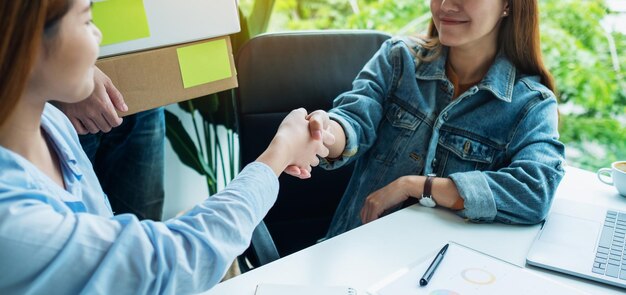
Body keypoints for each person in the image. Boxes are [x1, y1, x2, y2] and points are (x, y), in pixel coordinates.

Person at [0, 0, 328, 293]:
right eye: (87, 20)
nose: (100, 36)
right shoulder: (13, 220)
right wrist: (279, 152)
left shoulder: (50, 124)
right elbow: (167, 261)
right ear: (27, 42)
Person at [298, 0, 566, 238]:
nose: (446, 5)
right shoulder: (398, 58)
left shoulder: (531, 104)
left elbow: (535, 191)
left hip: (444, 268)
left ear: (508, 5)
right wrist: (324, 131)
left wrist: (417, 186)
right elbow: (354, 119)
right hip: (355, 247)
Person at [54, 69, 166, 221]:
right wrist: (71, 74)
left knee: (143, 221)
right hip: (68, 101)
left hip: (143, 92)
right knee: (80, 223)